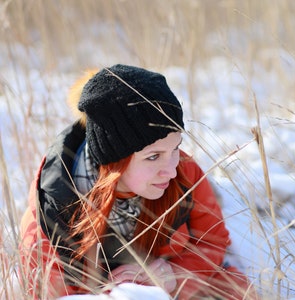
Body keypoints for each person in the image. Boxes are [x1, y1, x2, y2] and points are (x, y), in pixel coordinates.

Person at [19, 64, 258, 299]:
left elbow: (212, 241)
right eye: (153, 156)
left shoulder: (185, 171)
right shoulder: (52, 209)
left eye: (175, 148)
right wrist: (116, 293)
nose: (171, 171)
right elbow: (50, 291)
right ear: (114, 162)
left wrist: (175, 277)